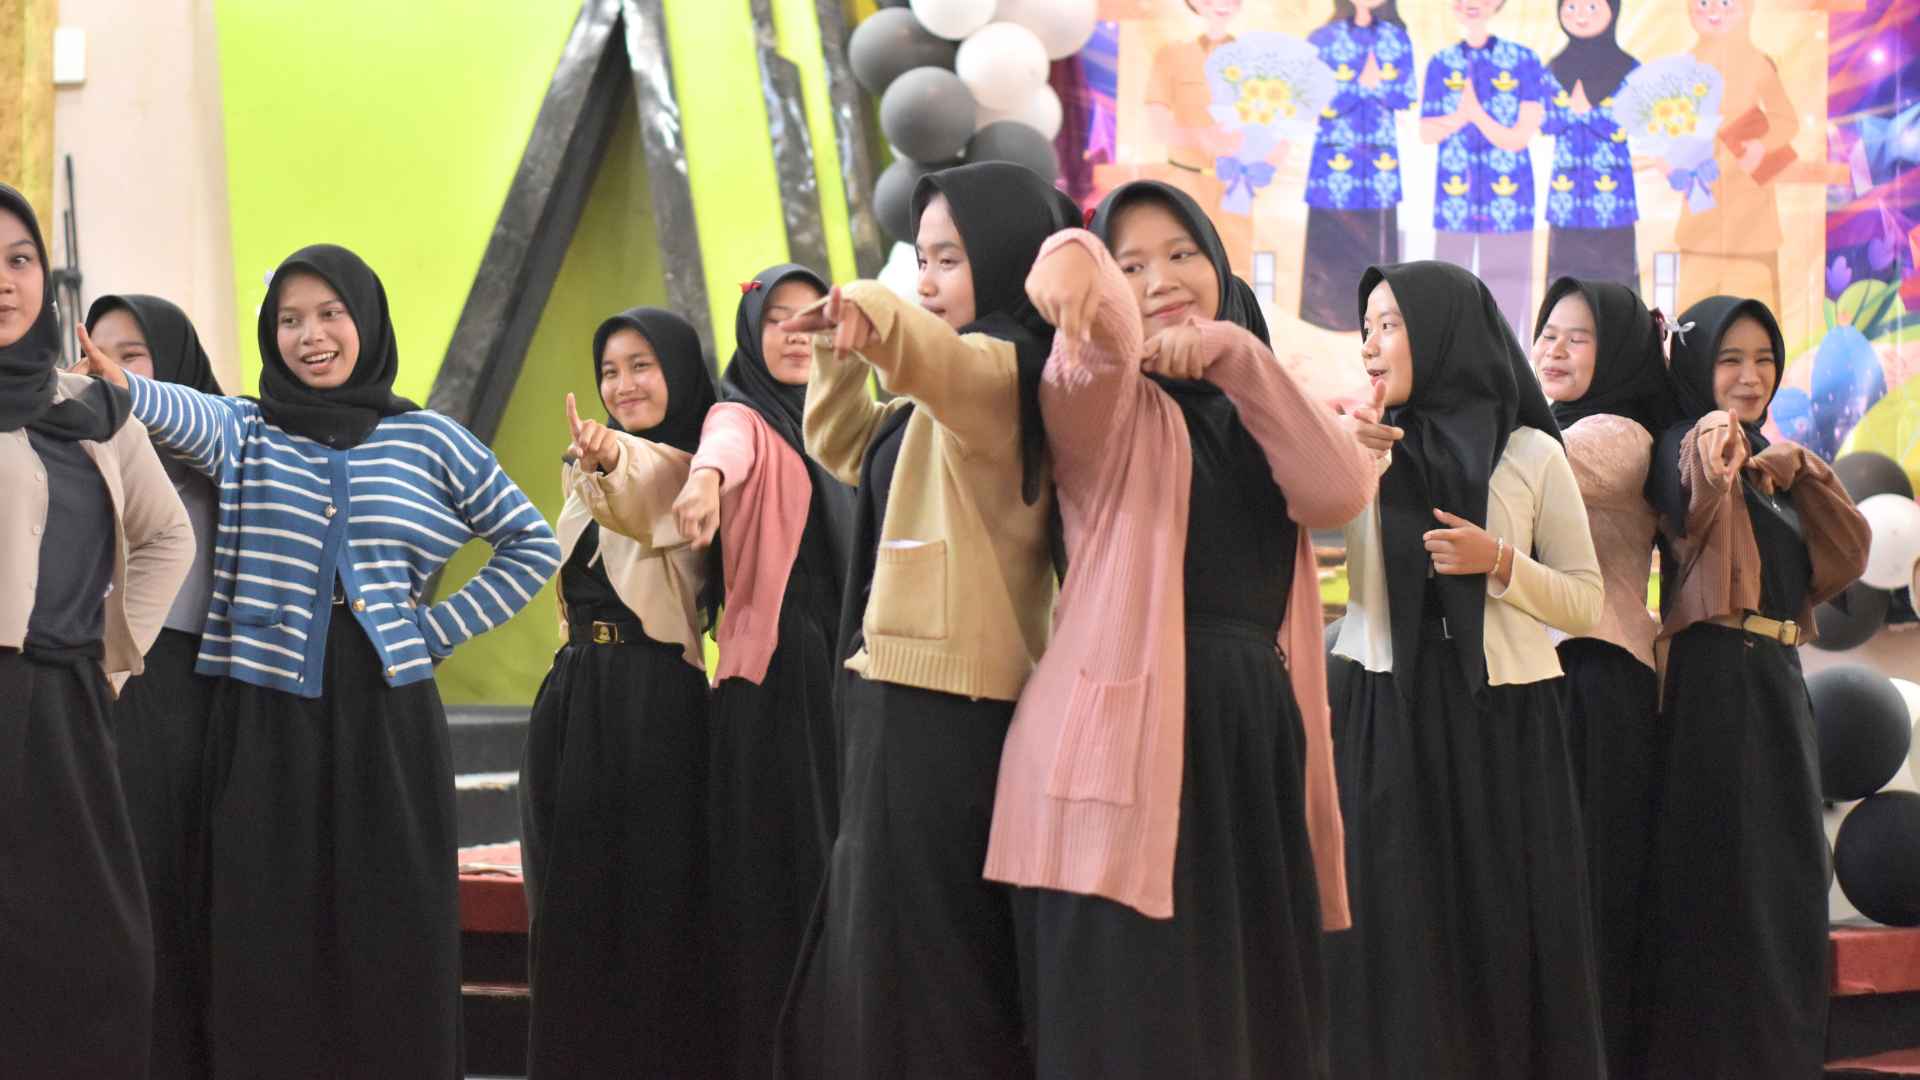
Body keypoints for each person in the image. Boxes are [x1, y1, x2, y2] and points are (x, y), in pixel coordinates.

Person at [78, 242, 562, 1079]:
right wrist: (123, 383)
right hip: (264, 713)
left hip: (388, 711)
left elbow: (530, 543)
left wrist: (436, 630)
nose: (311, 336)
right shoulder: (247, 431)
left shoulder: (430, 440)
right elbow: (182, 411)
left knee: (392, 925)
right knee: (265, 932)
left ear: (365, 320)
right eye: (291, 320)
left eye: (330, 314)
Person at [989, 178, 1375, 1078]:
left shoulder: (1261, 405)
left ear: (1218, 265)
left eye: (1180, 255)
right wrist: (1075, 259)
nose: (1158, 280)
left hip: (1248, 734)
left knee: (1252, 1019)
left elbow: (1337, 492)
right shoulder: (1100, 403)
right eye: (1131, 265)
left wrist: (1235, 354)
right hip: (1124, 743)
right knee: (1139, 1019)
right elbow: (1090, 347)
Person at [774, 161, 1074, 1080]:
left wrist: (871, 304)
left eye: (949, 258)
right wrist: (838, 348)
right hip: (898, 689)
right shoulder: (950, 382)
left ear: (1006, 255)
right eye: (922, 259)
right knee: (884, 935)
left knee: (929, 950)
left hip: (948, 705)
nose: (929, 280)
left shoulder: (1008, 368)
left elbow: (931, 359)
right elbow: (845, 445)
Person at [1325, 259, 1608, 1079]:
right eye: (1367, 327)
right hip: (1385, 706)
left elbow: (1586, 603)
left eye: (1390, 325)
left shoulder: (1530, 453)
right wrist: (1345, 464)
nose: (1371, 345)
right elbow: (1318, 565)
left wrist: (1501, 563)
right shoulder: (1360, 447)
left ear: (1443, 332)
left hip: (1504, 717)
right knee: (1392, 926)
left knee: (1501, 926)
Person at [1640, 296, 1870, 1080]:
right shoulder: (1683, 441)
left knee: (1789, 883)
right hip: (1717, 684)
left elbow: (1846, 555)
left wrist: (1801, 469)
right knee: (1727, 886)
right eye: (1730, 359)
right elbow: (1694, 487)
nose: (1750, 375)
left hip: (1778, 679)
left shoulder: (1776, 463)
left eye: (1764, 359)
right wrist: (1719, 447)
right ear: (1698, 366)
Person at [0, 182, 194, 1080]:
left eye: (19, 259)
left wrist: (113, 660)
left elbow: (167, 536)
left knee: (96, 954)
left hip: (68, 703)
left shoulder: (95, 409)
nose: (5, 281)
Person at [519, 306, 718, 1078]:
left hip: (652, 700)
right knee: (564, 908)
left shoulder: (698, 466)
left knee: (647, 911)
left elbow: (642, 487)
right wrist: (595, 461)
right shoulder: (584, 465)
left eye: (642, 365)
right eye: (609, 370)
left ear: (678, 371)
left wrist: (607, 456)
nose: (623, 383)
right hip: (575, 692)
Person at [670, 264, 854, 1080]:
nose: (795, 333)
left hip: (849, 666)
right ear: (752, 332)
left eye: (811, 318)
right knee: (780, 870)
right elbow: (723, 448)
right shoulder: (740, 413)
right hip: (777, 670)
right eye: (777, 318)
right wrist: (703, 482)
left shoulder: (848, 426)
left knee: (839, 866)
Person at [1530, 276, 1673, 1077]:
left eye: (1577, 337)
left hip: (1599, 679)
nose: (1554, 348)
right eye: (1547, 332)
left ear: (1615, 351)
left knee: (1592, 891)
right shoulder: (1544, 427)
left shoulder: (1618, 436)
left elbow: (1522, 474)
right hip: (1544, 680)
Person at [86, 292, 225, 1077]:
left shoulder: (222, 446)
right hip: (108, 682)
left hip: (200, 690)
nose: (106, 368)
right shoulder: (82, 446)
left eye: (131, 353)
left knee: (193, 894)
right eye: (96, 351)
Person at [1419, 0, 1550, 338]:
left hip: (1509, 201)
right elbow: (1427, 132)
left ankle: (1509, 368)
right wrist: (1459, 117)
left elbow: (1520, 137)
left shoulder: (1523, 59)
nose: (1471, 3)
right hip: (1454, 201)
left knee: (1507, 301)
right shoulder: (1441, 62)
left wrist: (1475, 115)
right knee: (1449, 295)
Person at [1672, 0, 1799, 316]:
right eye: (1703, 2)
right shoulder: (1684, 66)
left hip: (1751, 211)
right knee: (1693, 312)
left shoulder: (1757, 63)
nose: (1713, 10)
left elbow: (1786, 120)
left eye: (1726, 2)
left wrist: (1761, 145)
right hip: (1701, 211)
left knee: (1756, 310)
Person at [1301, 0, 1416, 332]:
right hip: (1333, 168)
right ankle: (1325, 326)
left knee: (1376, 252)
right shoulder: (1322, 38)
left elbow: (1406, 95)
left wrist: (1377, 86)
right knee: (1329, 250)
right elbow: (1311, 99)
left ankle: (1380, 323)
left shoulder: (1396, 37)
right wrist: (1359, 86)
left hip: (1379, 168)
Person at [1540, 0, 1643, 291]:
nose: (1580, 15)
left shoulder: (1630, 69)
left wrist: (1586, 112)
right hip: (1566, 201)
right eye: (1571, 7)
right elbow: (1545, 122)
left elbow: (1633, 122)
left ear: (1613, 11)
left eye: (1592, 7)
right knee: (1564, 288)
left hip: (1612, 203)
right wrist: (1574, 113)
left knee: (1618, 287)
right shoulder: (1553, 67)